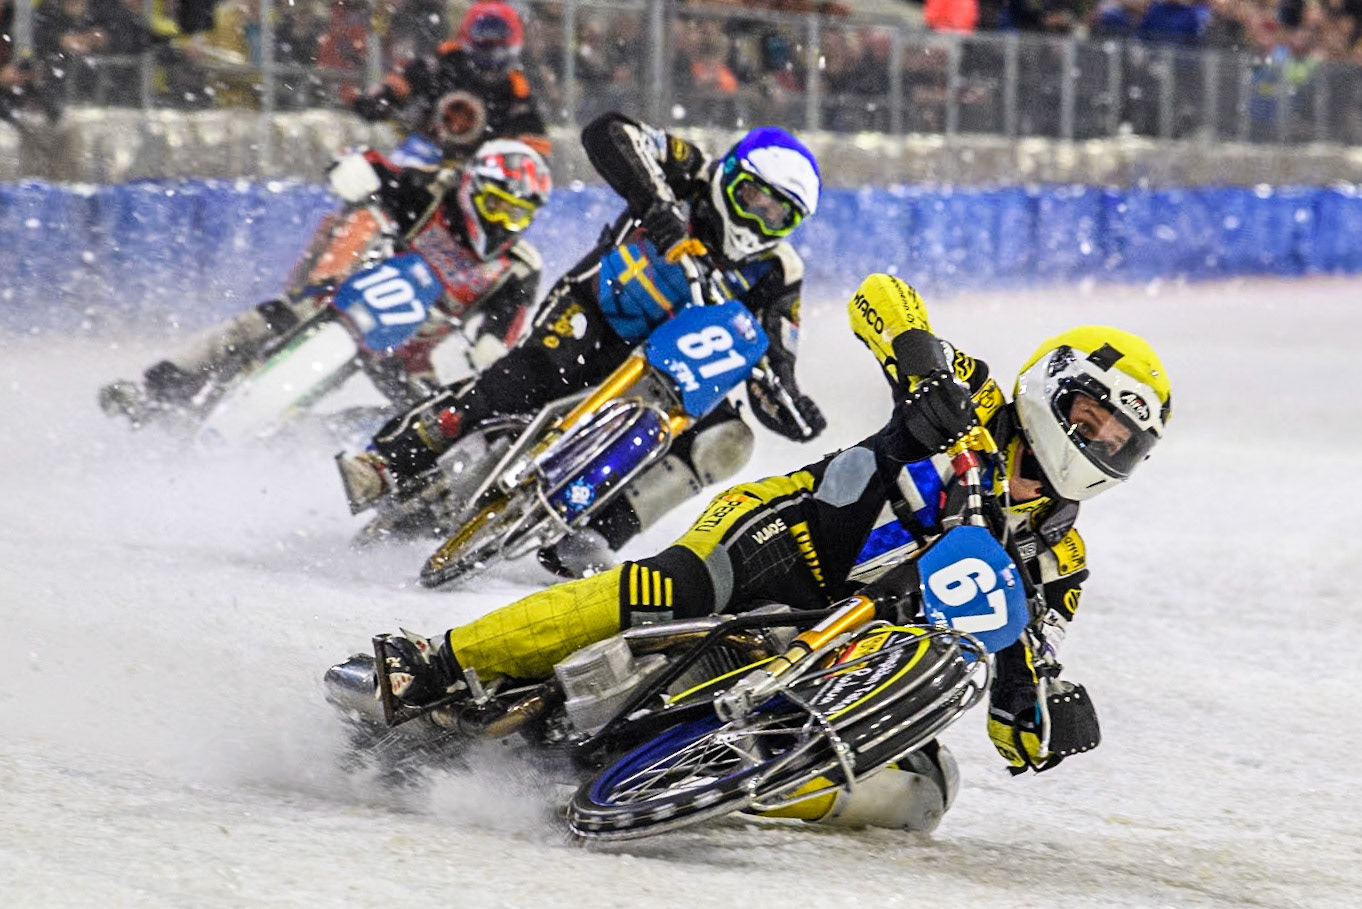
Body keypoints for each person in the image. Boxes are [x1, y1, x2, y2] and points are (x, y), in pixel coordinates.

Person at [363, 272, 1172, 831]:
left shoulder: (1060, 565)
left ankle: (715, 785)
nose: (1095, 443)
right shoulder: (979, 397)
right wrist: (922, 372)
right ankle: (434, 663)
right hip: (790, 536)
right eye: (1091, 417)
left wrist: (1045, 714)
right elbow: (881, 298)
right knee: (666, 587)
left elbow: (1014, 722)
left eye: (1119, 441)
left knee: (925, 794)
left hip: (853, 652)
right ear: (1051, 385)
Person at [336, 111, 827, 575]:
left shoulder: (782, 272)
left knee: (729, 441)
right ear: (728, 177)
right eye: (752, 199)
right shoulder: (691, 171)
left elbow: (778, 357)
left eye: (776, 215)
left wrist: (791, 405)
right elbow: (607, 131)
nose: (757, 219)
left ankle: (595, 535)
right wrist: (657, 207)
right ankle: (384, 462)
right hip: (595, 312)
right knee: (524, 377)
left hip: (670, 371)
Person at [99, 139, 551, 424]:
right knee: (263, 322)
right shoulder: (432, 191)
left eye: (519, 214)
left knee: (433, 423)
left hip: (410, 352)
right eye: (496, 206)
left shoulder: (518, 267)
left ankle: (323, 452)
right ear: (473, 189)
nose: (505, 222)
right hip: (349, 298)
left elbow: (503, 332)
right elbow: (372, 166)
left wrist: (493, 353)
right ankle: (156, 391)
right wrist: (352, 168)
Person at [351, 1, 550, 166]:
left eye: (498, 37)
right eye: (484, 35)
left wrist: (521, 157)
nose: (491, 45)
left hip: (478, 169)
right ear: (469, 35)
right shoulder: (445, 60)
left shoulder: (515, 88)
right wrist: (380, 98)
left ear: (512, 40)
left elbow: (535, 143)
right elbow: (403, 82)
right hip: (426, 152)